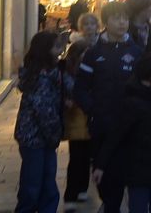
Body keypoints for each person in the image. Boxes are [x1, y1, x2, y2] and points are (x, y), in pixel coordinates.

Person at [73, 2, 143, 212]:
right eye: (116, 18)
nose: (122, 23)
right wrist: (93, 110)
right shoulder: (93, 53)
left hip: (131, 126)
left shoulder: (137, 52)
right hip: (102, 125)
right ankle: (109, 202)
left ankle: (112, 205)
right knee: (103, 173)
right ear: (105, 22)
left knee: (122, 174)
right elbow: (80, 88)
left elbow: (145, 85)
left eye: (125, 18)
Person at [93, 54, 151, 213]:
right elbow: (115, 135)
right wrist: (100, 165)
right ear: (145, 81)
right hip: (139, 172)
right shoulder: (133, 104)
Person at [14, 32, 67, 213]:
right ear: (45, 50)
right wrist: (54, 134)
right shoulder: (41, 77)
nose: (60, 51)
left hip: (38, 138)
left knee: (44, 181)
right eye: (56, 47)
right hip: (35, 138)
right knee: (34, 183)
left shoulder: (49, 72)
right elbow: (44, 111)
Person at [60, 40, 93, 206]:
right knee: (76, 159)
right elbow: (68, 91)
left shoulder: (91, 69)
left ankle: (82, 189)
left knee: (86, 158)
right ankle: (71, 195)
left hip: (89, 120)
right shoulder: (67, 72)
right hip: (75, 120)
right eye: (84, 53)